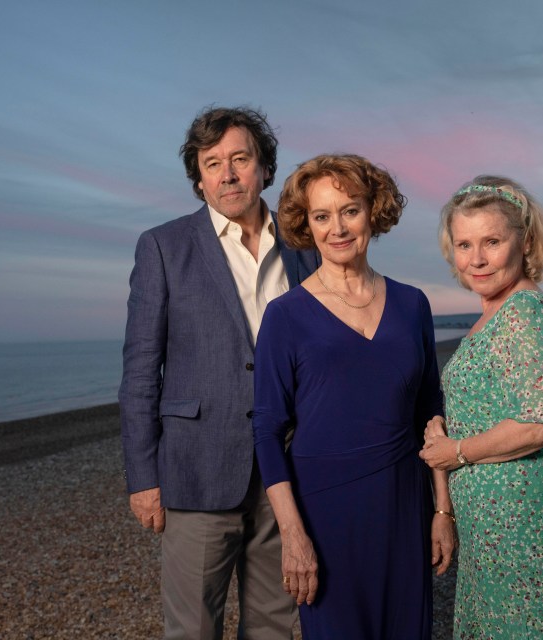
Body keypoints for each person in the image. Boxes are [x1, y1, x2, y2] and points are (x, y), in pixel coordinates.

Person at [119, 106, 318, 640]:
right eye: (212, 163)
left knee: (275, 624)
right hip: (197, 471)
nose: (227, 174)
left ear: (264, 167)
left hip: (287, 468)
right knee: (193, 630)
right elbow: (141, 368)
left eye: (239, 158)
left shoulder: (305, 249)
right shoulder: (163, 247)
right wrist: (143, 478)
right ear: (199, 177)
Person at [253, 154, 456, 639]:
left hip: (404, 506)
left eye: (350, 210)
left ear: (374, 211)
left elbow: (431, 412)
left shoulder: (412, 305)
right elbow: (266, 431)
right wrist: (293, 535)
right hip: (324, 516)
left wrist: (442, 511)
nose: (337, 228)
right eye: (322, 216)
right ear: (306, 224)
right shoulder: (285, 316)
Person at [419, 176, 543, 638]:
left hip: (527, 526)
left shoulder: (525, 310)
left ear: (524, 243)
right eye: (464, 244)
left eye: (492, 242)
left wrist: (455, 451)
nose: (476, 259)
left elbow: (542, 423)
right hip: (492, 531)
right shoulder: (493, 313)